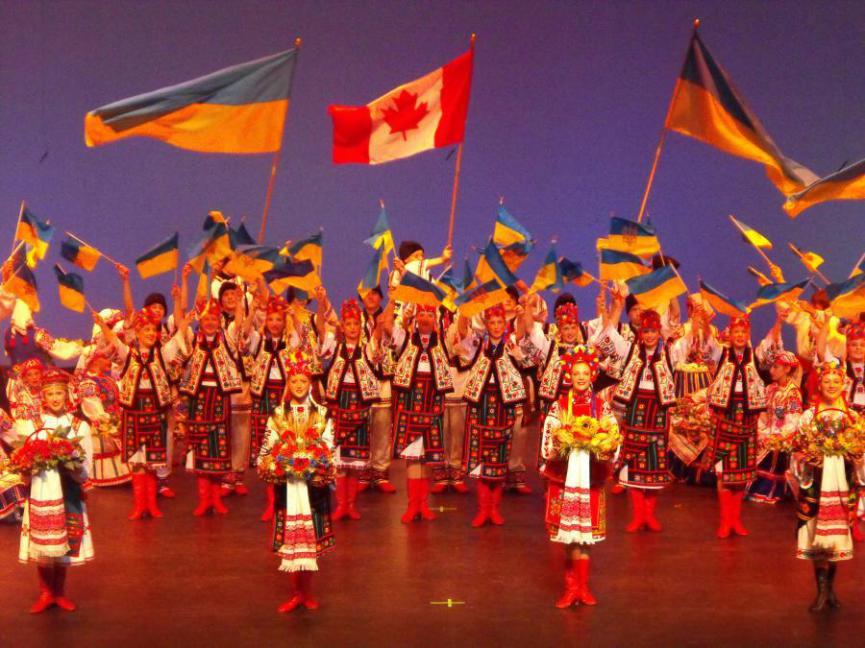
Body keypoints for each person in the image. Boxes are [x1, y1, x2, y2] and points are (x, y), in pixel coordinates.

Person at [592, 301, 691, 533]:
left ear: (659, 332)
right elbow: (607, 337)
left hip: (657, 413)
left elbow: (688, 341)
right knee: (634, 464)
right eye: (646, 331)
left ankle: (649, 515)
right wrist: (616, 308)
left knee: (654, 466)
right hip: (636, 411)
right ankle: (638, 516)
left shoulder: (668, 353)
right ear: (641, 332)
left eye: (653, 331)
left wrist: (699, 322)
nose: (649, 335)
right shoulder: (630, 351)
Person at [540, 346, 619, 608]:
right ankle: (571, 588)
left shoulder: (601, 406)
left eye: (585, 373)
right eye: (577, 373)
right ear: (570, 376)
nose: (581, 377)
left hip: (590, 477)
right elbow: (550, 434)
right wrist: (563, 440)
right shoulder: (560, 405)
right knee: (569, 535)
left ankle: (583, 588)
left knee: (586, 534)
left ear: (592, 375)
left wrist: (603, 444)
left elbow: (612, 434)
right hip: (565, 477)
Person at [95, 303, 189, 520]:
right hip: (134, 412)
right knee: (138, 462)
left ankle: (152, 505)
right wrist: (102, 325)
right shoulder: (128, 354)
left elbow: (178, 338)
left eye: (153, 330)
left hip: (155, 411)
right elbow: (114, 340)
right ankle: (139, 506)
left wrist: (186, 321)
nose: (150, 333)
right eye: (146, 330)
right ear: (137, 332)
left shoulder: (162, 354)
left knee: (153, 462)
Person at [258, 352, 335, 613]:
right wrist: (273, 463)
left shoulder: (322, 413)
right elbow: (266, 448)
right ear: (288, 384)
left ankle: (306, 592)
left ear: (310, 383)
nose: (299, 385)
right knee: (291, 543)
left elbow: (328, 446)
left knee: (310, 542)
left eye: (303, 381)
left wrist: (318, 463)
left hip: (312, 487)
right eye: (294, 381)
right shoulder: (278, 414)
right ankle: (295, 593)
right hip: (287, 487)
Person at [15, 368, 94, 614]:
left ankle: (59, 592)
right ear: (44, 397)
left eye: (59, 393)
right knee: (43, 545)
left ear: (66, 394)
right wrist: (26, 465)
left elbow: (86, 468)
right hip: (41, 491)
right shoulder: (32, 425)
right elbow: (23, 463)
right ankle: (45, 592)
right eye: (50, 394)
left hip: (67, 490)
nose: (55, 398)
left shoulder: (79, 426)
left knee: (65, 543)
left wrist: (71, 462)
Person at [792, 360, 864, 612]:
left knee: (837, 537)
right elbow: (797, 450)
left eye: (836, 381)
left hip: (842, 483)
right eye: (827, 381)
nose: (831, 385)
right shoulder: (808, 417)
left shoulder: (853, 418)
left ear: (843, 385)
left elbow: (860, 451)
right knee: (816, 536)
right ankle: (821, 590)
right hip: (816, 484)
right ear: (819, 384)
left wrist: (857, 457)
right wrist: (806, 459)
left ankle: (829, 588)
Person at [453, 304, 530, 527]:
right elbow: (461, 339)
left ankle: (494, 509)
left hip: (503, 406)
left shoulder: (511, 345)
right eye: (492, 323)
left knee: (499, 460)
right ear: (486, 325)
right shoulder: (478, 344)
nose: (496, 326)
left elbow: (522, 340)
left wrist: (523, 312)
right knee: (481, 459)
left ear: (505, 325)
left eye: (499, 323)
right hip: (481, 405)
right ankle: (483, 509)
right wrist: (464, 312)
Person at [700, 314, 775, 538]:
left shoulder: (755, 356)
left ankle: (736, 520)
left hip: (747, 419)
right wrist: (705, 323)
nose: (740, 336)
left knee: (741, 474)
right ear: (730, 335)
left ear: (748, 334)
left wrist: (779, 322)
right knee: (723, 473)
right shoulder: (722, 354)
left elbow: (771, 345)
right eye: (736, 332)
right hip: (726, 416)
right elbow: (708, 343)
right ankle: (725, 521)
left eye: (743, 332)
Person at [379, 302, 453, 523]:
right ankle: (413, 505)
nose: (425, 318)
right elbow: (386, 324)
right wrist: (393, 299)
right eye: (422, 314)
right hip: (410, 406)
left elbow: (462, 330)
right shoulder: (405, 340)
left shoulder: (443, 343)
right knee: (413, 458)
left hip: (432, 405)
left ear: (435, 319)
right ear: (416, 318)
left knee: (427, 458)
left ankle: (424, 505)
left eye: (429, 314)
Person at [178, 297, 243, 516]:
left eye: (214, 319)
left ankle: (216, 499)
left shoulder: (227, 341)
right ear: (201, 320)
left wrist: (239, 302)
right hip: (198, 400)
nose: (210, 323)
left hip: (219, 399)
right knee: (200, 449)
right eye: (206, 319)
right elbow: (179, 330)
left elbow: (239, 324)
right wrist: (179, 299)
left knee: (218, 450)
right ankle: (204, 499)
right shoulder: (192, 341)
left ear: (219, 321)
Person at [319, 298, 379, 521]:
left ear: (361, 327)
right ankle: (341, 504)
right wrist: (322, 302)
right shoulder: (335, 347)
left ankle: (351, 504)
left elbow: (381, 329)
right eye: (349, 324)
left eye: (356, 324)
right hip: (339, 404)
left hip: (360, 405)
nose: (352, 328)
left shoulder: (368, 349)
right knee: (340, 460)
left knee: (354, 462)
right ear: (342, 327)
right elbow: (320, 328)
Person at [746, 348, 802, 503]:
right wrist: (761, 431)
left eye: (776, 367)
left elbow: (793, 421)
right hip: (768, 431)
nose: (771, 371)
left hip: (783, 435)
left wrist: (776, 436)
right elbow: (762, 414)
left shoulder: (793, 394)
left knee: (773, 448)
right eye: (771, 367)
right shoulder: (770, 389)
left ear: (787, 369)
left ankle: (767, 488)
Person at [358, 287, 397, 494]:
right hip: (361, 378)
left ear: (381, 297)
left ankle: (380, 472)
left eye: (375, 293)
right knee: (362, 427)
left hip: (383, 379)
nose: (370, 297)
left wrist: (393, 299)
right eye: (367, 293)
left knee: (382, 427)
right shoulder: (355, 319)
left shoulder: (391, 316)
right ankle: (364, 471)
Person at [74, 346, 131, 488]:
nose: (109, 361)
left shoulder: (106, 378)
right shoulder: (87, 383)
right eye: (105, 358)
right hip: (101, 427)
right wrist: (108, 423)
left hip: (115, 421)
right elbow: (94, 410)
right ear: (94, 361)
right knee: (104, 449)